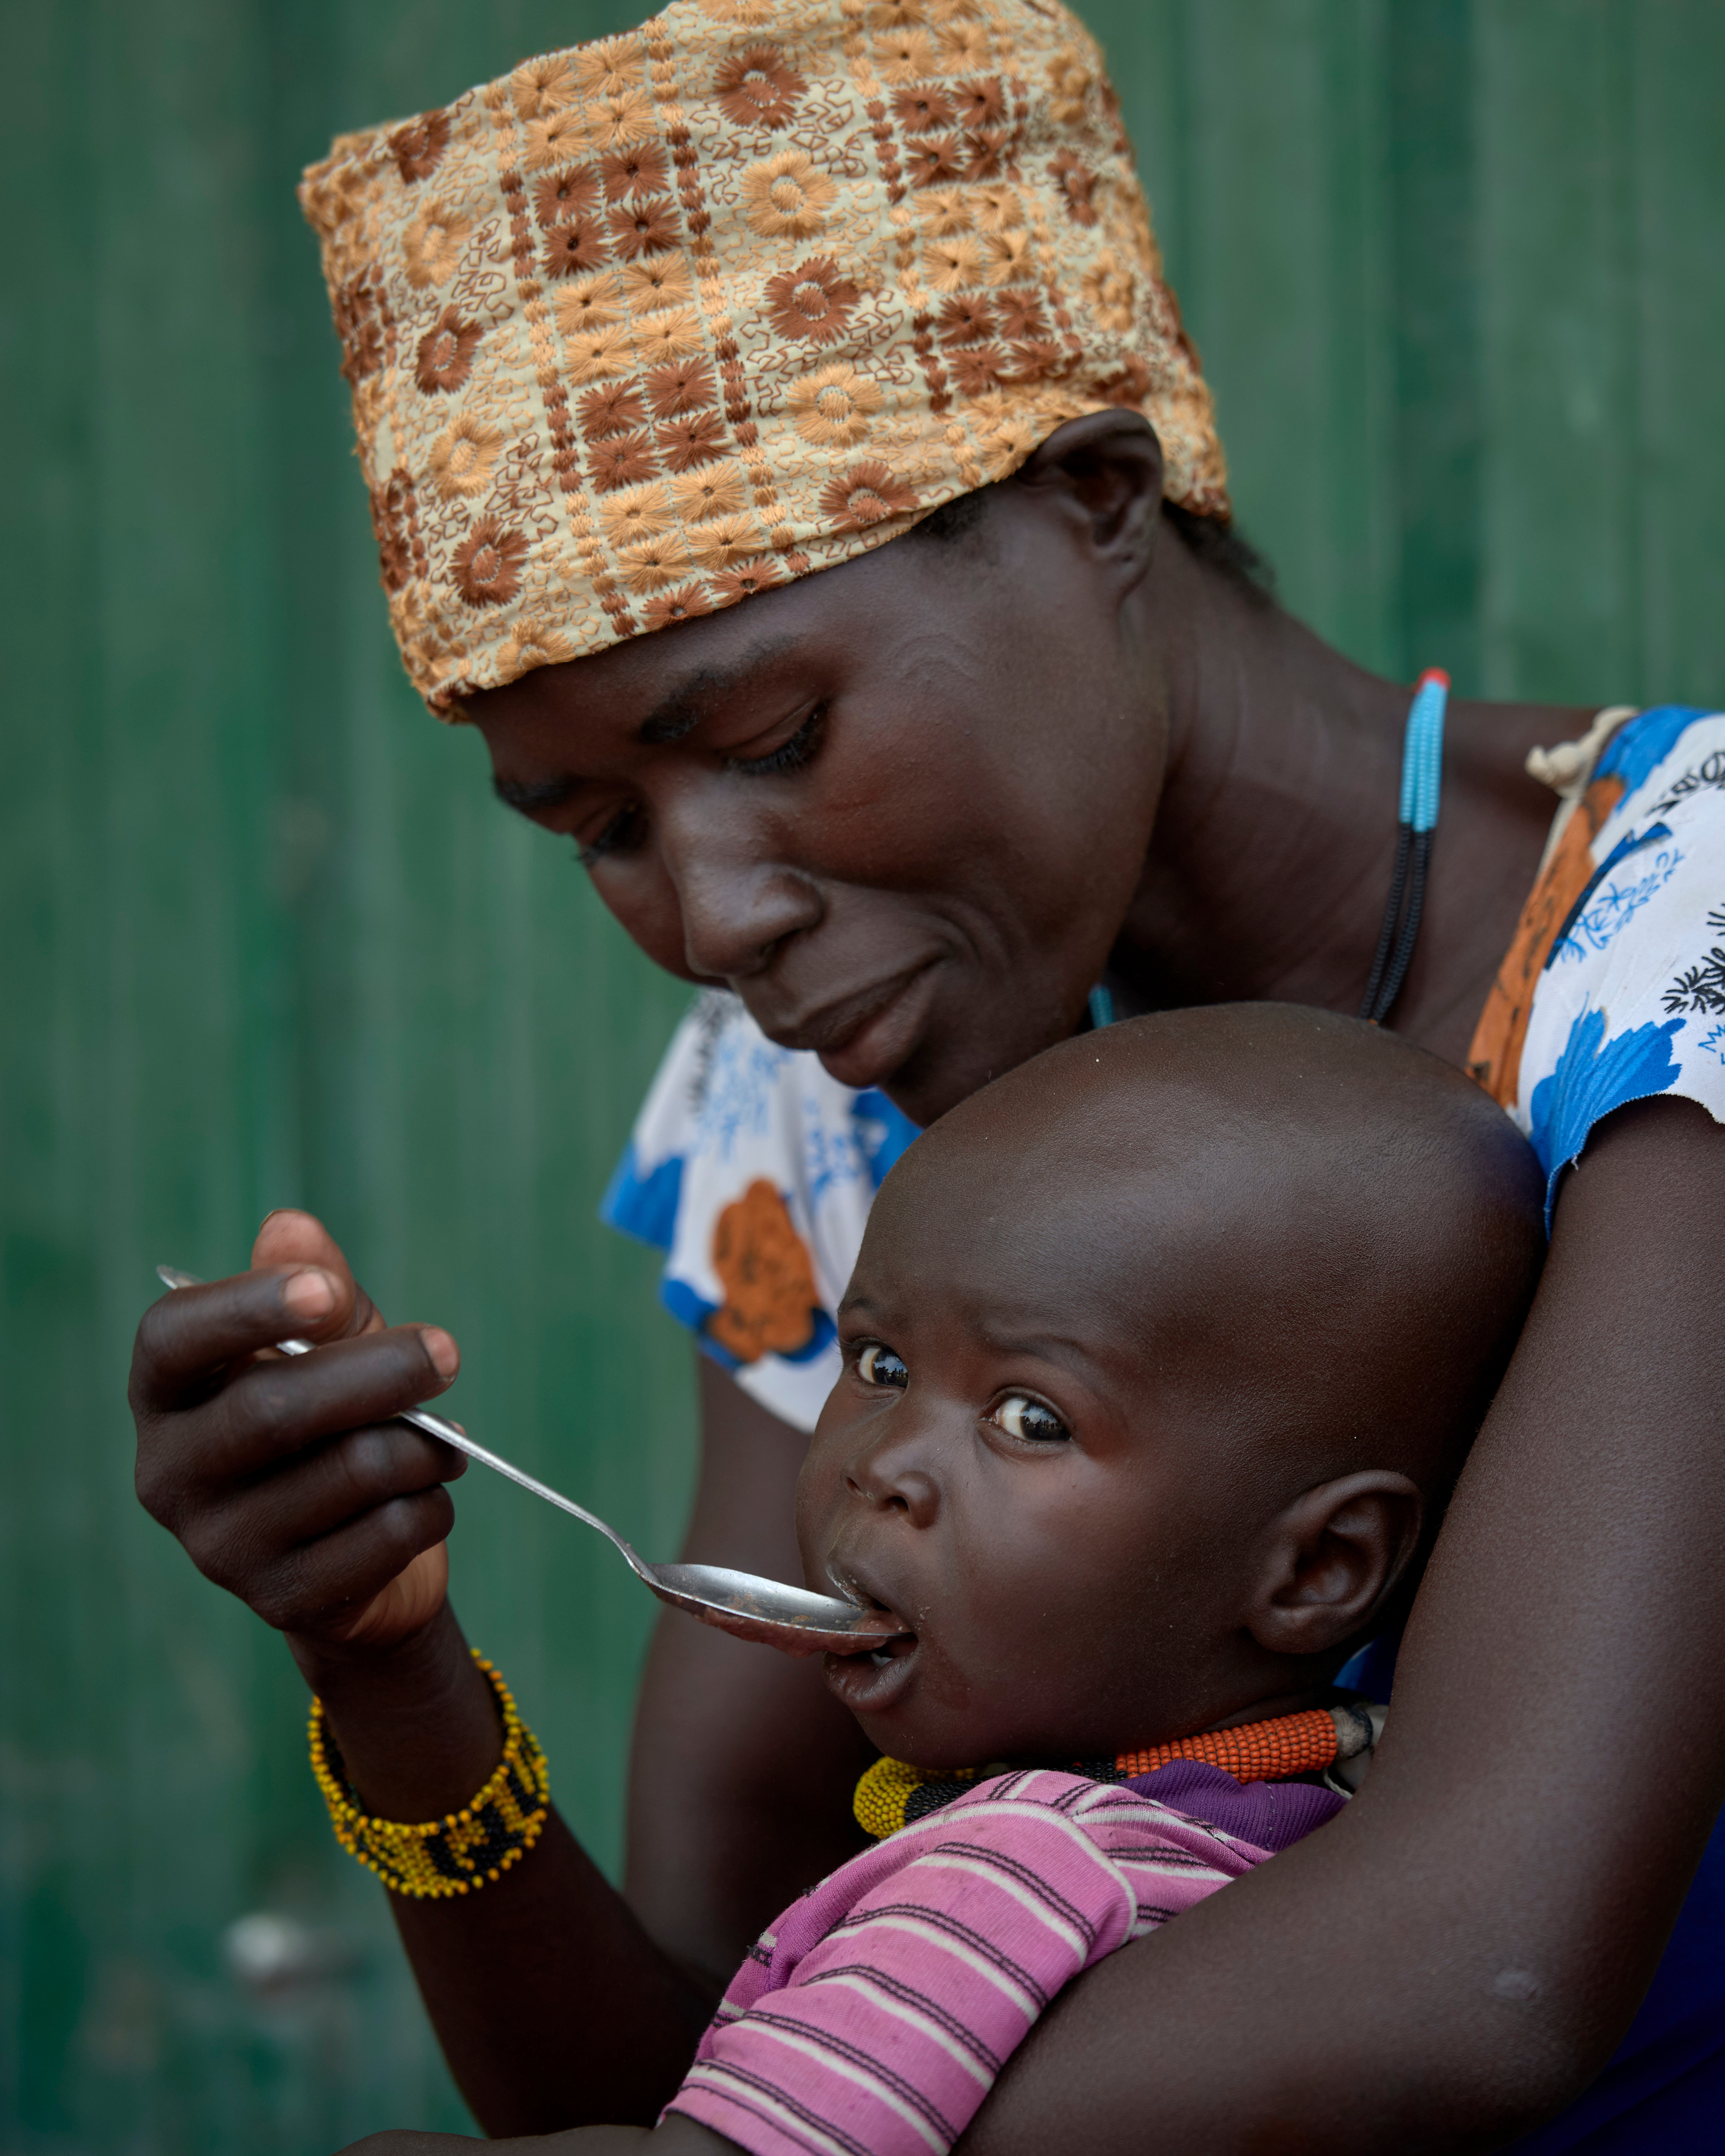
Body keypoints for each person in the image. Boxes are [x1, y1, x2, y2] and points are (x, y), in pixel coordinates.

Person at [129, 1, 1725, 2146]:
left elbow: (1491, 1966)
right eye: (600, 827)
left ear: (1091, 501)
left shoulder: (1682, 941)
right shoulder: (808, 1101)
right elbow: (705, 2048)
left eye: (773, 739)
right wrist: (388, 1675)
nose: (710, 920)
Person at [330, 1003, 1547, 2156]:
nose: (887, 1464)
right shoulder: (1317, 1837)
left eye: (1028, 1417)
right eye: (878, 1360)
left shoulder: (1015, 1876)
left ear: (1317, 1569)